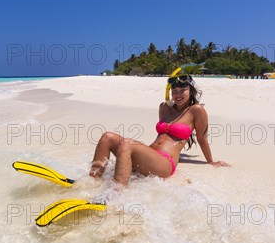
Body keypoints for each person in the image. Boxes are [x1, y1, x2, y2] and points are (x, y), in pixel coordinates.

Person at [89, 71, 229, 186]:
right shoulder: (164, 108)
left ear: (191, 91)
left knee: (127, 145)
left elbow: (202, 139)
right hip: (149, 155)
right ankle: (92, 181)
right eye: (174, 91)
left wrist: (210, 161)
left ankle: (114, 195)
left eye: (182, 91)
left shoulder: (196, 110)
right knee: (107, 137)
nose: (178, 95)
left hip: (165, 163)